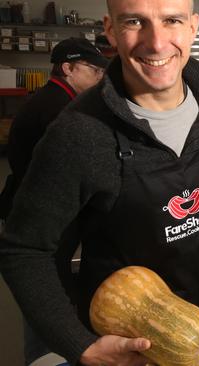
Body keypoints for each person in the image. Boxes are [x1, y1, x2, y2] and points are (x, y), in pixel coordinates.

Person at [0, 0, 199, 365]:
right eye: (136, 21)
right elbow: (25, 250)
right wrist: (79, 345)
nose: (156, 42)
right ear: (111, 30)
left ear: (193, 27)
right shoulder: (79, 133)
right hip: (137, 349)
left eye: (172, 20)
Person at [0, 36, 107, 366]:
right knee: (46, 292)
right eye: (93, 70)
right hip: (39, 219)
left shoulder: (53, 99)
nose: (100, 78)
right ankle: (44, 357)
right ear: (68, 68)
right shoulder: (59, 112)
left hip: (27, 206)